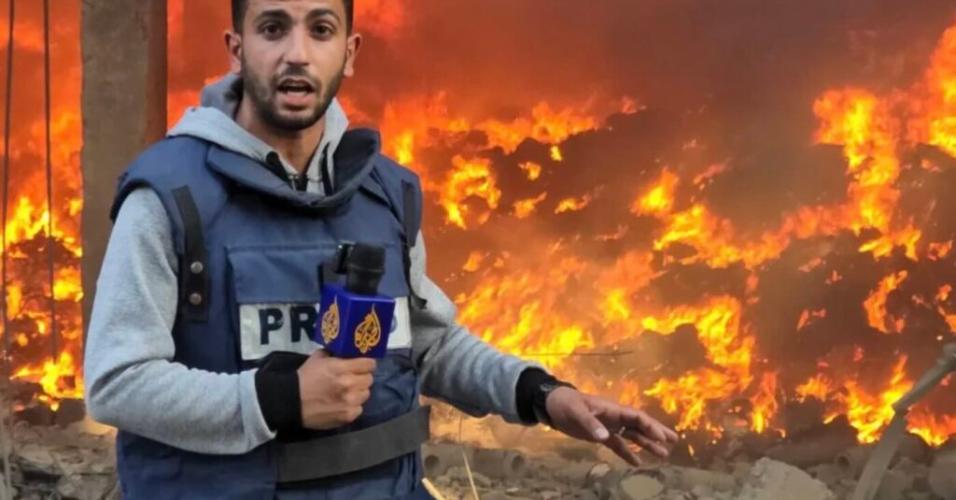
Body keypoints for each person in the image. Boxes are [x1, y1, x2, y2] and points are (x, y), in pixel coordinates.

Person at [83, 0, 679, 498]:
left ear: (349, 52)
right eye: (273, 28)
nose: (297, 53)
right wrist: (277, 399)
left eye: (321, 29)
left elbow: (424, 343)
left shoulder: (384, 194)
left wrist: (544, 395)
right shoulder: (170, 197)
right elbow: (117, 382)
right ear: (236, 50)